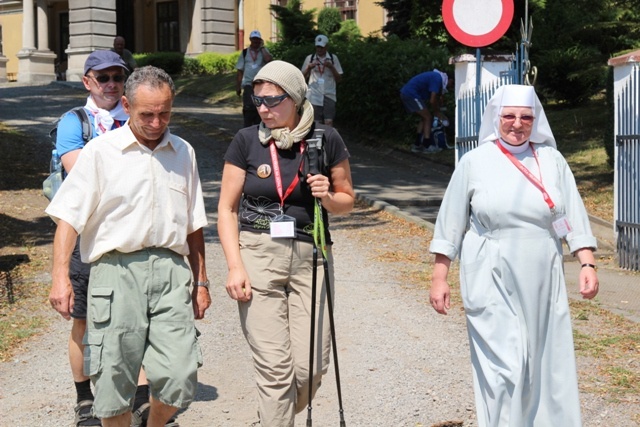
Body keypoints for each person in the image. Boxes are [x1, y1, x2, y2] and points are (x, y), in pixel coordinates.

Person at [47, 65, 211, 427]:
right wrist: (60, 277)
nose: (157, 122)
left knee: (180, 377)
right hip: (115, 273)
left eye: (165, 113)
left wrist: (201, 281)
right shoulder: (100, 152)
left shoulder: (183, 152)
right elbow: (69, 219)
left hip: (171, 273)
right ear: (125, 105)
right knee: (113, 387)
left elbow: (194, 224)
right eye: (147, 114)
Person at [428, 84, 599, 426]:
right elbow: (450, 222)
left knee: (545, 361)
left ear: (534, 120)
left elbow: (574, 214)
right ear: (496, 118)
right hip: (491, 270)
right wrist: (439, 276)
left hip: (542, 271)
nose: (517, 124)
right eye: (509, 116)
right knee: (502, 366)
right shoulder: (475, 161)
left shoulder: (551, 159)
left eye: (525, 117)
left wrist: (587, 262)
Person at [218, 60, 355, 426]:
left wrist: (327, 197)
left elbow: (347, 201)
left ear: (295, 97)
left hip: (312, 257)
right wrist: (234, 266)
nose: (263, 108)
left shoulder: (326, 139)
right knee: (276, 372)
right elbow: (227, 209)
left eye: (273, 100)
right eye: (257, 100)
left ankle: (270, 418)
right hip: (258, 254)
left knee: (311, 367)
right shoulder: (246, 140)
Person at [54, 49, 151, 427]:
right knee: (83, 321)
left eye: (117, 77)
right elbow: (82, 177)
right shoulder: (74, 122)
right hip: (85, 238)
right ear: (88, 82)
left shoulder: (139, 119)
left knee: (135, 316)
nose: (111, 84)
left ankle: (141, 397)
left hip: (129, 234)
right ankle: (84, 398)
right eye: (103, 78)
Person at [400, 69, 453, 153]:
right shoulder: (437, 79)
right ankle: (427, 145)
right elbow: (432, 100)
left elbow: (434, 99)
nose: (451, 86)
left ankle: (417, 144)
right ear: (449, 80)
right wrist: (437, 112)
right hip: (411, 94)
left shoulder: (437, 78)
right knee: (428, 117)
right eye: (452, 84)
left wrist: (438, 107)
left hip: (408, 93)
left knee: (424, 118)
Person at [301, 34, 343, 127]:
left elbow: (339, 79)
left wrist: (331, 67)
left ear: (326, 47)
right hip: (314, 95)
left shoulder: (333, 58)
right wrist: (308, 68)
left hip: (329, 94)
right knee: (316, 123)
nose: (319, 49)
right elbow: (302, 78)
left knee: (329, 122)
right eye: (317, 47)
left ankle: (327, 140)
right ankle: (317, 141)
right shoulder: (310, 58)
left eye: (321, 47)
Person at [235, 30, 273, 127]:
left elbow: (269, 60)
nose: (256, 42)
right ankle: (247, 130)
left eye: (258, 40)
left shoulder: (263, 51)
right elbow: (240, 71)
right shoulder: (244, 53)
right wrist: (238, 86)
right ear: (250, 40)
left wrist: (262, 47)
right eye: (254, 39)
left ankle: (259, 128)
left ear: (260, 40)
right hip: (248, 85)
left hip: (261, 85)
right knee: (249, 109)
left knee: (260, 108)